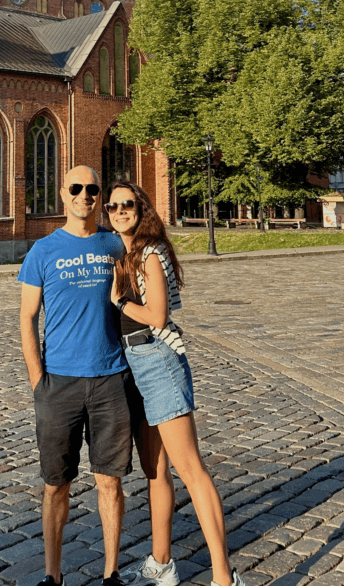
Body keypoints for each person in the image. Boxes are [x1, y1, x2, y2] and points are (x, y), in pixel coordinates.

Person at [105, 182, 246, 586]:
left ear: (142, 208)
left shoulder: (151, 252)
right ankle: (162, 563)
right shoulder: (125, 253)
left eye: (127, 205)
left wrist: (118, 301)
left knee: (191, 469)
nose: (119, 211)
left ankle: (224, 577)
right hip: (134, 362)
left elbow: (158, 316)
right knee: (156, 470)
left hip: (156, 360)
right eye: (113, 207)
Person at [19, 166, 133, 586]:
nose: (85, 195)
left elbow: (134, 301)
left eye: (92, 189)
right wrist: (39, 383)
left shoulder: (115, 245)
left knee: (110, 482)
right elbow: (27, 317)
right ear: (63, 196)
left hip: (110, 379)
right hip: (59, 385)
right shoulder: (43, 251)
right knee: (55, 485)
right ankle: (53, 576)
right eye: (76, 188)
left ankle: (112, 573)